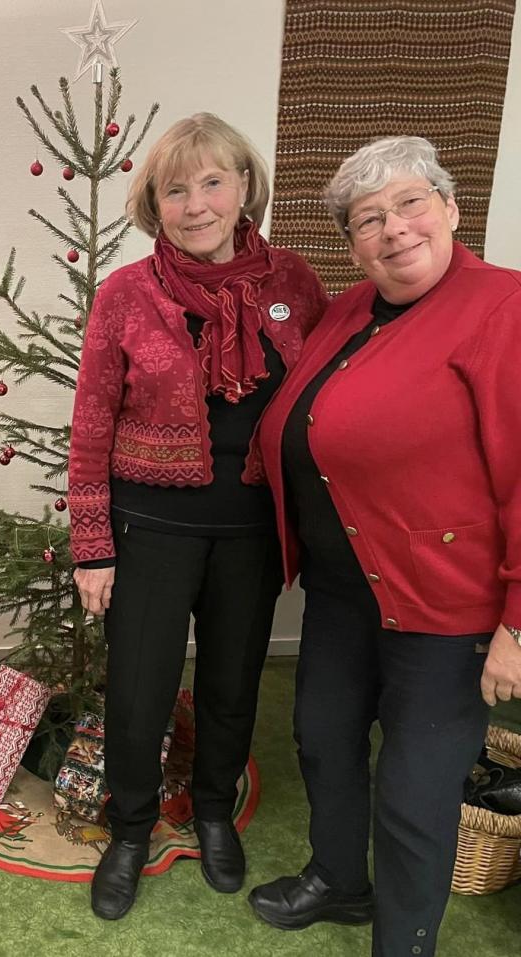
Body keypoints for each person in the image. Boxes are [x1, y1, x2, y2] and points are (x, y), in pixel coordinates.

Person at [248, 135, 521, 956]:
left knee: (414, 789)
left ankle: (404, 944)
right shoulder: (350, 309)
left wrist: (517, 622)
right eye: (369, 219)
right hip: (343, 591)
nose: (394, 228)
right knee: (324, 740)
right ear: (353, 243)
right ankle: (339, 878)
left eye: (410, 203)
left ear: (450, 209)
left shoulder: (503, 307)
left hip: (445, 602)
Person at [68, 113, 329, 921]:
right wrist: (92, 546)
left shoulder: (295, 284)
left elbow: (326, 404)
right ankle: (131, 827)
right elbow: (90, 423)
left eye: (212, 181)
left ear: (245, 185)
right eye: (175, 189)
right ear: (155, 205)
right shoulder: (126, 292)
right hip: (150, 526)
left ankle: (214, 810)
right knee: (140, 692)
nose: (197, 203)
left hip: (251, 528)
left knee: (230, 683)